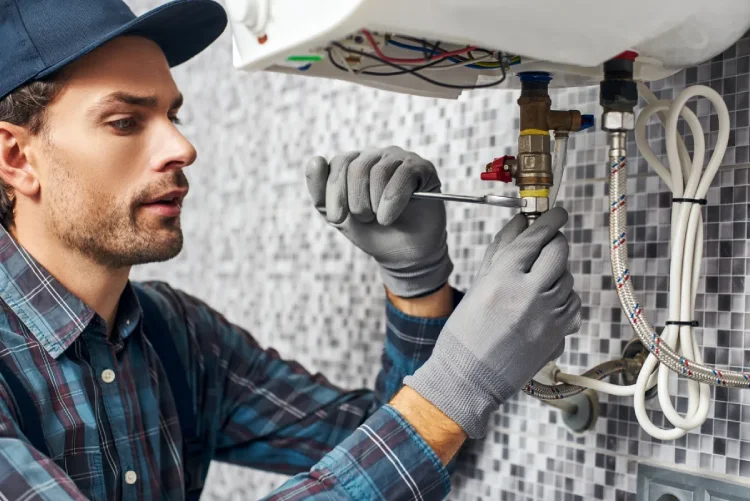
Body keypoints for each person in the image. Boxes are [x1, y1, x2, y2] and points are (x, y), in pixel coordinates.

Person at [0, 0, 580, 499]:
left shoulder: (175, 335)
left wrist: (418, 281)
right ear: (16, 159)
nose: (182, 146)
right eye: (126, 121)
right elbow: (430, 420)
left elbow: (416, 448)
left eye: (173, 115)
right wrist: (456, 386)